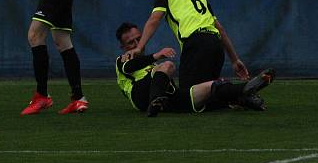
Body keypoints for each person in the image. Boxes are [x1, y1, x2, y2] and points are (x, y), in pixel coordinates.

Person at [129, 0, 252, 108]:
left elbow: (155, 19)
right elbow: (220, 29)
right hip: (215, 44)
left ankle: (240, 92)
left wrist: (140, 47)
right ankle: (238, 98)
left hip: (196, 44)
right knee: (205, 97)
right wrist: (234, 59)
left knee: (187, 97)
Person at [115, 22, 274, 116]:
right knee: (168, 66)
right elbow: (130, 67)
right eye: (131, 42)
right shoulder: (123, 59)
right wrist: (156, 55)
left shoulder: (152, 66)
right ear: (123, 47)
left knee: (212, 87)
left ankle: (243, 92)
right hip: (141, 97)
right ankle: (154, 103)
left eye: (138, 39)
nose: (136, 44)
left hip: (167, 96)